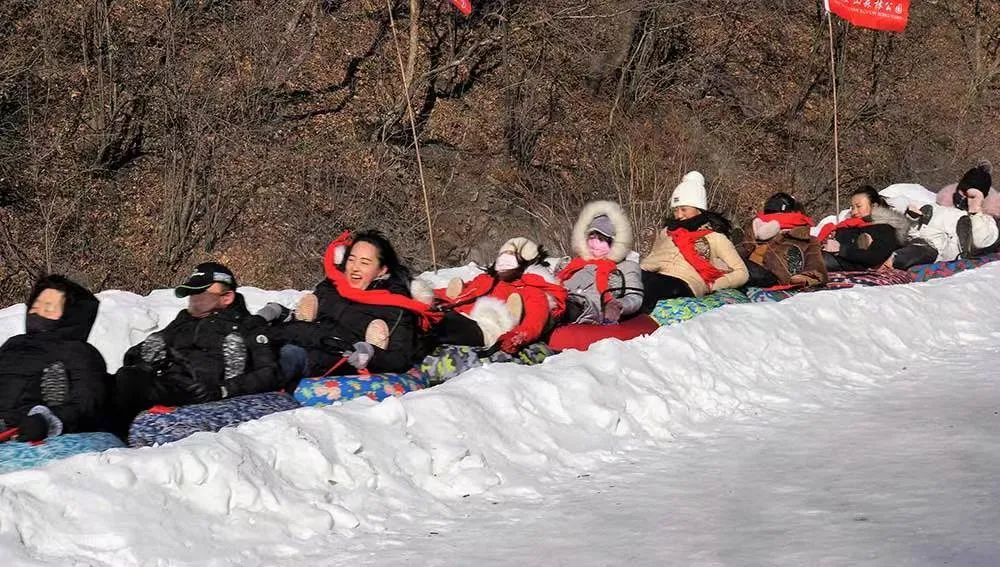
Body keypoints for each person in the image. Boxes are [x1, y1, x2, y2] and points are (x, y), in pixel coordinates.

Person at [113, 262, 283, 429]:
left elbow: (269, 373)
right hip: (166, 379)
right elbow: (134, 354)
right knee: (116, 379)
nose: (193, 300)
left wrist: (224, 389)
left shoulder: (247, 326)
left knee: (129, 381)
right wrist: (146, 353)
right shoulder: (183, 321)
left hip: (202, 389)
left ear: (227, 297)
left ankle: (118, 432)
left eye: (201, 293)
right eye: (191, 294)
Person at [259, 230, 433, 384]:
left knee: (286, 356)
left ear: (381, 270)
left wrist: (371, 353)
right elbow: (307, 320)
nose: (355, 268)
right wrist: (279, 313)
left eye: (364, 262)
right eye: (351, 259)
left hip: (332, 357)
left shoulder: (395, 305)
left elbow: (400, 356)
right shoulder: (333, 287)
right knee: (257, 340)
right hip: (299, 339)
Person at [0, 275, 110, 442]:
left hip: (33, 429)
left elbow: (87, 401)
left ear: (71, 316)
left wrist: (48, 420)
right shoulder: (13, 344)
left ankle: (51, 407)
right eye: (35, 306)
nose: (38, 312)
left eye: (48, 308)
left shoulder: (79, 352)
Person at [426, 237, 567, 354]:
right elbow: (465, 293)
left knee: (439, 327)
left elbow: (535, 320)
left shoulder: (532, 289)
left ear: (525, 262)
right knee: (430, 320)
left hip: (488, 329)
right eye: (503, 255)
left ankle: (513, 314)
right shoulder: (487, 280)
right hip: (460, 314)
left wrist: (517, 337)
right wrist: (428, 296)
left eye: (511, 256)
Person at [639, 171, 748, 311]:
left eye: (684, 209)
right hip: (651, 273)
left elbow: (741, 272)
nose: (679, 215)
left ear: (699, 209)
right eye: (675, 210)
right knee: (628, 280)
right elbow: (653, 256)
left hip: (683, 281)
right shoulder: (666, 232)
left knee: (651, 287)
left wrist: (715, 284)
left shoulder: (715, 237)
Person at [890, 162, 998, 268]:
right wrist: (912, 217)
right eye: (963, 191)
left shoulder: (985, 221)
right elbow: (904, 205)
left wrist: (975, 211)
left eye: (972, 196)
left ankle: (890, 261)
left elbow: (980, 242)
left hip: (930, 250)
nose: (965, 197)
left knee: (912, 254)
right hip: (911, 239)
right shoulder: (938, 206)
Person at [557, 200, 643, 324]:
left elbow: (635, 297)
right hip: (560, 298)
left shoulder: (626, 266)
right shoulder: (575, 263)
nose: (594, 243)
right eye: (591, 237)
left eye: (601, 239)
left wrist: (618, 305)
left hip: (587, 308)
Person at [739, 192, 827, 288]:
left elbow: (742, 251)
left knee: (742, 269)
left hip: (767, 275)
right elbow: (815, 264)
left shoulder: (755, 226)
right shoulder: (806, 237)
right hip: (768, 274)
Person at [818, 186, 912, 271]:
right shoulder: (850, 225)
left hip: (845, 262)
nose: (854, 212)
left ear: (874, 206)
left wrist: (840, 249)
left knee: (817, 261)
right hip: (832, 258)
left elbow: (874, 256)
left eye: (859, 206)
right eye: (852, 208)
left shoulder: (884, 228)